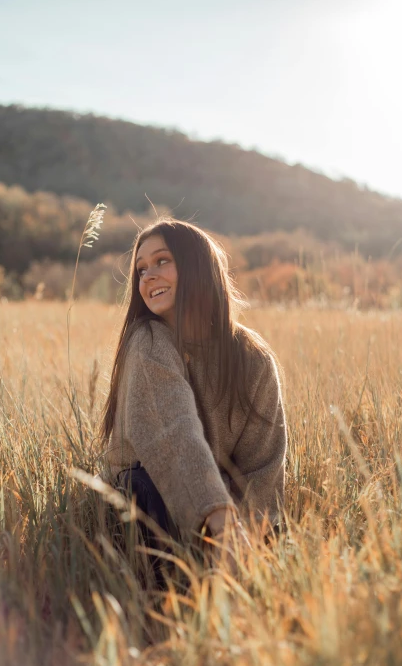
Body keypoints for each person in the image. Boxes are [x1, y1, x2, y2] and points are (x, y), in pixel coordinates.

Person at [100, 220, 287, 585]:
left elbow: (264, 464)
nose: (148, 276)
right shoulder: (148, 341)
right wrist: (219, 521)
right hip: (144, 496)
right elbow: (174, 433)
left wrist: (239, 532)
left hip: (220, 509)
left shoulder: (253, 358)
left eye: (162, 261)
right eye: (141, 269)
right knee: (146, 487)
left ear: (197, 266)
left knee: (272, 532)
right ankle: (173, 600)